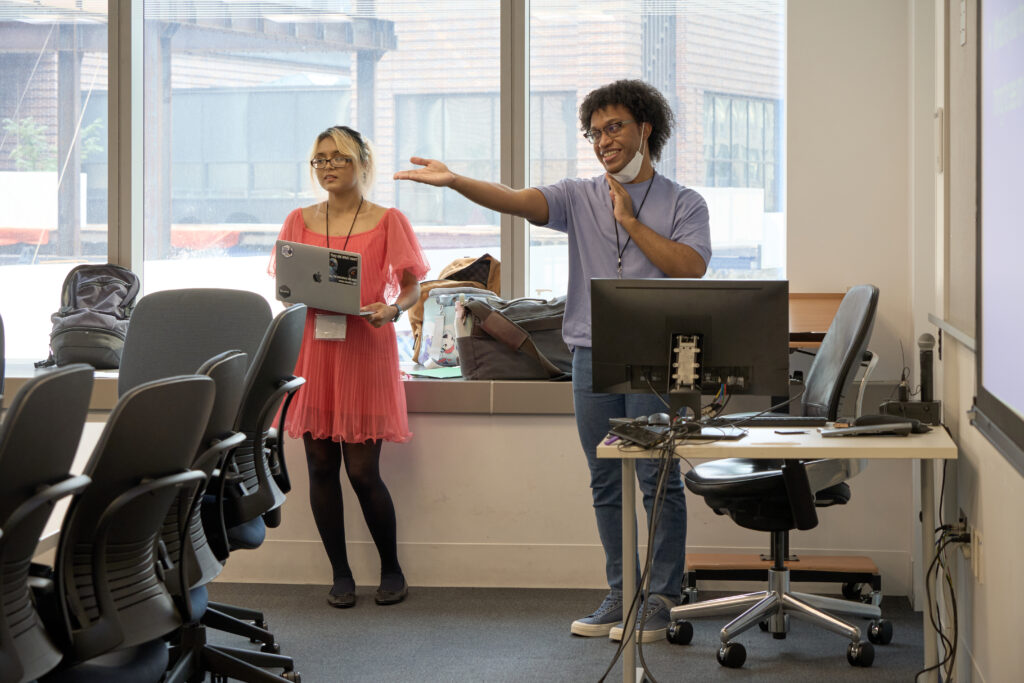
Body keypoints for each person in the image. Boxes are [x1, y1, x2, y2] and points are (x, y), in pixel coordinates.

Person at [394, 80, 710, 642]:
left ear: (645, 129)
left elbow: (689, 269)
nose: (602, 140)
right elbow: (516, 200)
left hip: (659, 359)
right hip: (590, 352)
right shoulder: (577, 195)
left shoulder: (685, 202)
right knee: (605, 476)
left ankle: (661, 596)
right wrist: (456, 181)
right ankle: (621, 591)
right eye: (593, 132)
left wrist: (632, 222)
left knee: (658, 476)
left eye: (614, 127)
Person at [272, 125, 429, 608]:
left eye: (338, 158)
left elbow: (412, 287)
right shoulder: (298, 219)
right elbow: (285, 284)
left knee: (363, 472)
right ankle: (340, 574)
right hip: (315, 348)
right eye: (319, 159)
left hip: (365, 346)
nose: (328, 167)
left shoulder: (389, 220)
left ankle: (391, 568)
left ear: (363, 161)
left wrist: (394, 310)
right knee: (320, 466)